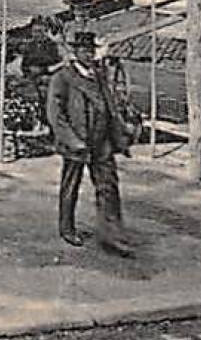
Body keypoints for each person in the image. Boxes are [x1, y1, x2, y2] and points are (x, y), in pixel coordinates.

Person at [46, 30, 135, 256]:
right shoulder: (63, 78)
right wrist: (71, 140)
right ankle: (67, 228)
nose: (88, 54)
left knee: (108, 187)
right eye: (83, 50)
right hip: (77, 140)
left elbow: (111, 106)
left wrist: (121, 131)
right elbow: (55, 115)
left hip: (101, 140)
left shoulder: (99, 75)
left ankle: (112, 235)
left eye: (91, 50)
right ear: (75, 53)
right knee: (71, 186)